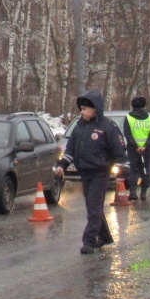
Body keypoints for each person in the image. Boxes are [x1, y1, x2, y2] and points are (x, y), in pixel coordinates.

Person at [55, 90, 127, 254]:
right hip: (85, 171)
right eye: (81, 109)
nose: (82, 112)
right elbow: (70, 149)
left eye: (85, 109)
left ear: (95, 109)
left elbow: (119, 149)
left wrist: (124, 168)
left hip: (100, 172)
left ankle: (89, 241)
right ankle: (105, 236)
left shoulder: (106, 127)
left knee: (93, 206)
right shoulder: (80, 127)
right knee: (92, 205)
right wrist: (62, 165)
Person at [122, 96, 150, 200]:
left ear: (132, 106)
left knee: (133, 170)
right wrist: (146, 146)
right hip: (146, 150)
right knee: (145, 169)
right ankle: (144, 193)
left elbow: (128, 134)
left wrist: (136, 146)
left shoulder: (128, 118)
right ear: (144, 106)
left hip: (133, 150)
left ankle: (133, 192)